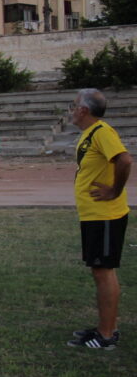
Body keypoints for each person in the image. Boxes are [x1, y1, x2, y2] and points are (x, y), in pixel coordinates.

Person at [66, 88, 132, 350]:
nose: (71, 111)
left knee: (103, 271)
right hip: (94, 216)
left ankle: (105, 336)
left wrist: (114, 190)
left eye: (73, 106)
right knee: (100, 270)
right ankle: (106, 327)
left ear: (83, 110)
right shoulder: (91, 133)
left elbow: (124, 160)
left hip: (105, 215)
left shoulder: (102, 132)